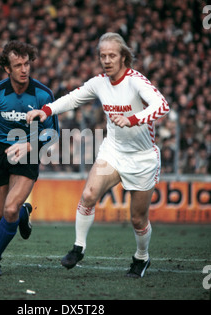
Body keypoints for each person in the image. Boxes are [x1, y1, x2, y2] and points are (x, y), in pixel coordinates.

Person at [27, 32, 170, 278]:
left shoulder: (136, 81)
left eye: (112, 55)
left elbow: (162, 105)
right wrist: (47, 110)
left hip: (143, 158)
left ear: (124, 57)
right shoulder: (99, 83)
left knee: (137, 220)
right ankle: (78, 247)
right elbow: (73, 98)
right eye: (102, 55)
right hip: (113, 151)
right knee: (89, 194)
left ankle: (141, 257)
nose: (106, 60)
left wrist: (132, 118)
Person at [0, 40, 59, 276]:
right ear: (7, 69)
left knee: (9, 210)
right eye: (18, 65)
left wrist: (31, 144)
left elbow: (54, 132)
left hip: (28, 151)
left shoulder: (43, 94)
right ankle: (24, 213)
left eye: (27, 64)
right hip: (0, 150)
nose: (24, 69)